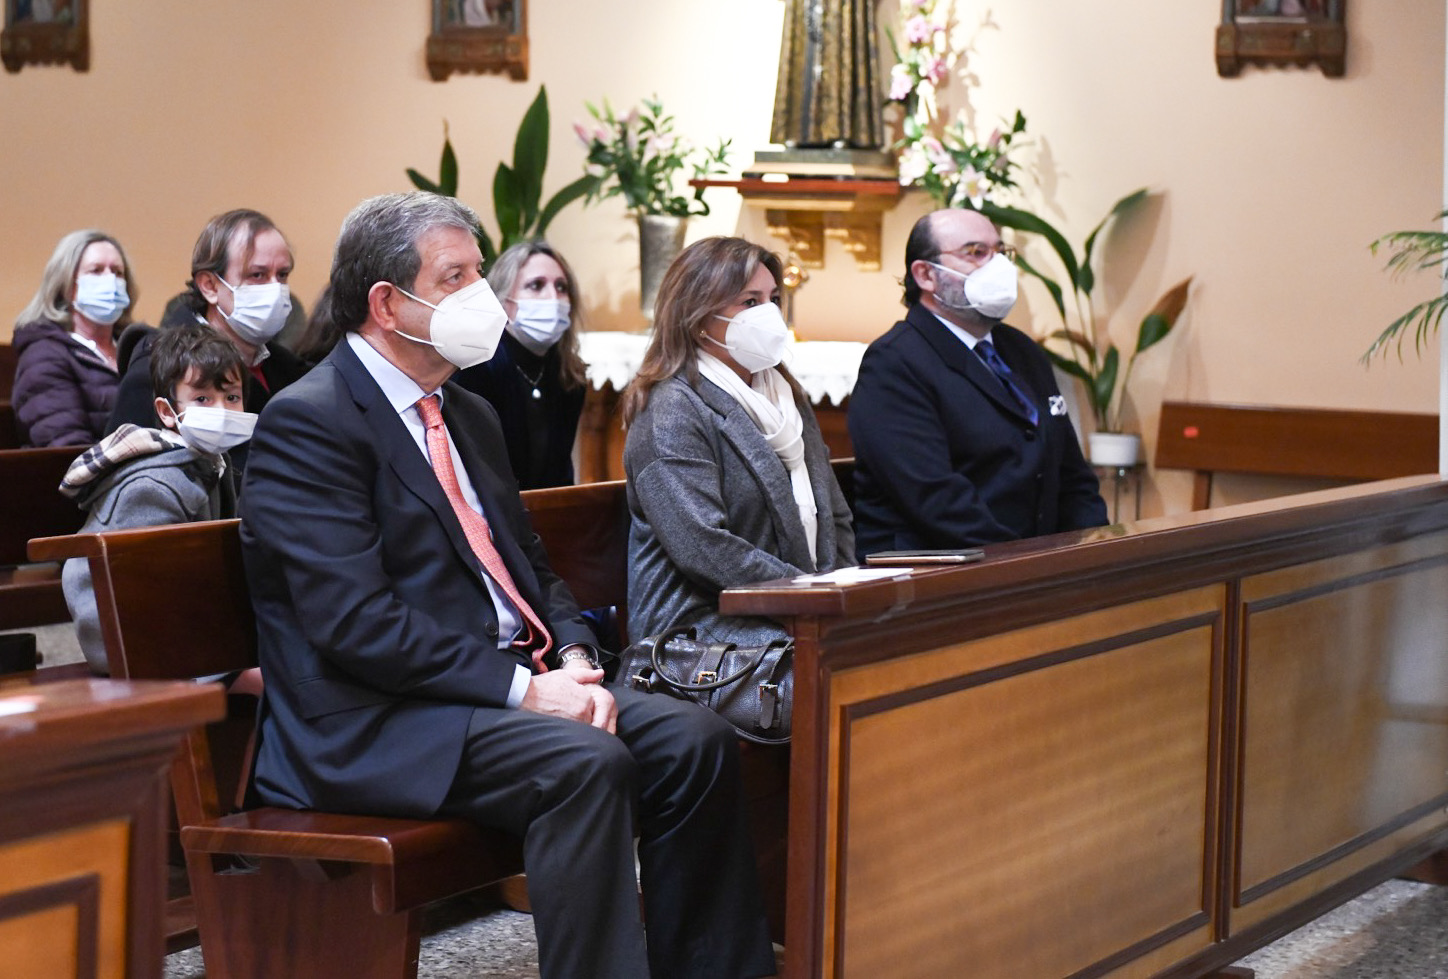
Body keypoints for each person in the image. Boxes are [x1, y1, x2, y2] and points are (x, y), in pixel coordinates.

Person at [238, 192, 775, 979]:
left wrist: (577, 655)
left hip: (489, 693)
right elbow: (355, 623)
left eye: (480, 273)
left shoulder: (467, 411)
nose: (480, 297)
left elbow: (529, 566)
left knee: (693, 739)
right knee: (584, 760)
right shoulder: (310, 420)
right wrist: (526, 690)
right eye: (454, 276)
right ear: (387, 303)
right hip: (375, 719)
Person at [622, 236, 855, 648]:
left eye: (772, 299)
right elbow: (704, 546)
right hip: (700, 628)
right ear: (697, 316)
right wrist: (809, 599)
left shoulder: (785, 396)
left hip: (797, 611)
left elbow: (835, 516)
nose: (768, 314)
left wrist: (847, 599)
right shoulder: (672, 408)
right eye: (750, 302)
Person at [848, 208, 1107, 556]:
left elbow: (1072, 476)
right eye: (976, 253)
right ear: (926, 275)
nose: (998, 265)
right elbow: (934, 498)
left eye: (1000, 252)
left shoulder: (1021, 350)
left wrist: (1094, 551)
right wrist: (1019, 563)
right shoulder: (895, 362)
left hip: (1029, 567)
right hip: (936, 573)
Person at [60, 323, 249, 674]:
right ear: (166, 411)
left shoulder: (209, 464)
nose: (221, 410)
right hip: (132, 644)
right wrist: (231, 675)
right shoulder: (154, 487)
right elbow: (147, 600)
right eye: (203, 398)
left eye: (232, 397)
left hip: (181, 631)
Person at [105, 209, 308, 476]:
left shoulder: (288, 369)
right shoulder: (156, 370)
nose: (275, 289)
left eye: (282, 275)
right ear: (210, 285)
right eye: (257, 275)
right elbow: (123, 481)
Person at [452, 240, 588, 489]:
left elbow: (560, 473)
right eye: (536, 286)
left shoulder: (568, 374)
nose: (553, 298)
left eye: (561, 287)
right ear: (503, 300)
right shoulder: (474, 370)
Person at [12, 230, 136, 447]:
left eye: (117, 272)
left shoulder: (137, 348)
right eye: (96, 271)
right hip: (87, 476)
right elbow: (65, 446)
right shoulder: (43, 355)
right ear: (67, 286)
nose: (110, 280)